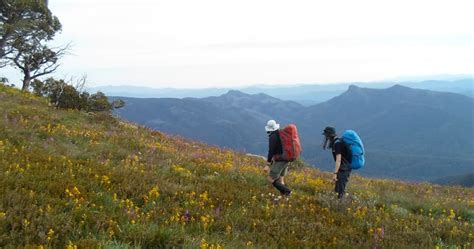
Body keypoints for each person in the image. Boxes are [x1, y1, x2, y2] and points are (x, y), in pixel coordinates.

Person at [263, 120, 292, 196]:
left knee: (270, 178)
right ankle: (284, 197)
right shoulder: (281, 133)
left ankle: (287, 191)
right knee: (281, 178)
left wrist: (267, 164)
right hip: (287, 158)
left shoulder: (273, 137)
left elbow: (271, 151)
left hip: (281, 160)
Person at [322, 126, 351, 199]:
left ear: (329, 135)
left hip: (343, 169)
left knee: (340, 191)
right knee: (338, 190)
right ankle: (339, 205)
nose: (325, 137)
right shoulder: (338, 141)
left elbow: (338, 159)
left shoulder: (337, 144)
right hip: (345, 168)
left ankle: (340, 206)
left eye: (326, 135)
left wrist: (335, 173)